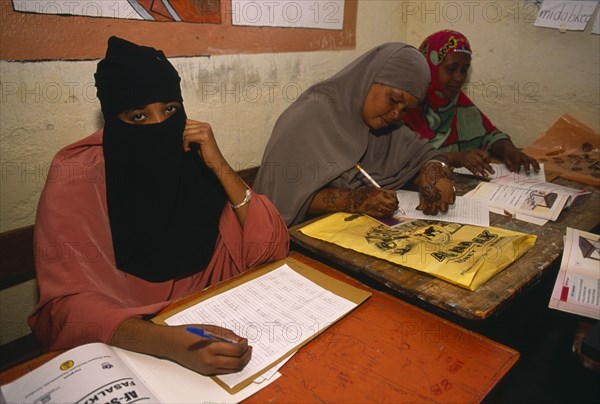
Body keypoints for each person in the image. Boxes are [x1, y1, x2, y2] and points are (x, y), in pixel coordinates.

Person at [28, 37, 289, 375]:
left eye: (169, 110)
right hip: (126, 344)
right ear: (113, 120)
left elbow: (271, 250)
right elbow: (62, 311)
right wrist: (165, 342)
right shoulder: (78, 175)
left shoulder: (192, 161)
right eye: (138, 116)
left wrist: (220, 166)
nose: (159, 126)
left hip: (215, 321)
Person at [253, 42, 456, 227]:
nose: (396, 114)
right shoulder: (310, 118)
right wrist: (354, 199)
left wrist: (435, 173)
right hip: (294, 244)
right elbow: (282, 199)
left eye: (405, 110)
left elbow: (426, 154)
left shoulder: (385, 126)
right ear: (370, 77)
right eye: (394, 99)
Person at [404, 30, 540, 178]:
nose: (459, 77)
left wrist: (508, 149)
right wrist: (456, 158)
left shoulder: (459, 104)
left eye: (464, 70)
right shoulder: (406, 107)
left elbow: (489, 136)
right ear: (430, 67)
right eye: (451, 69)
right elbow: (403, 158)